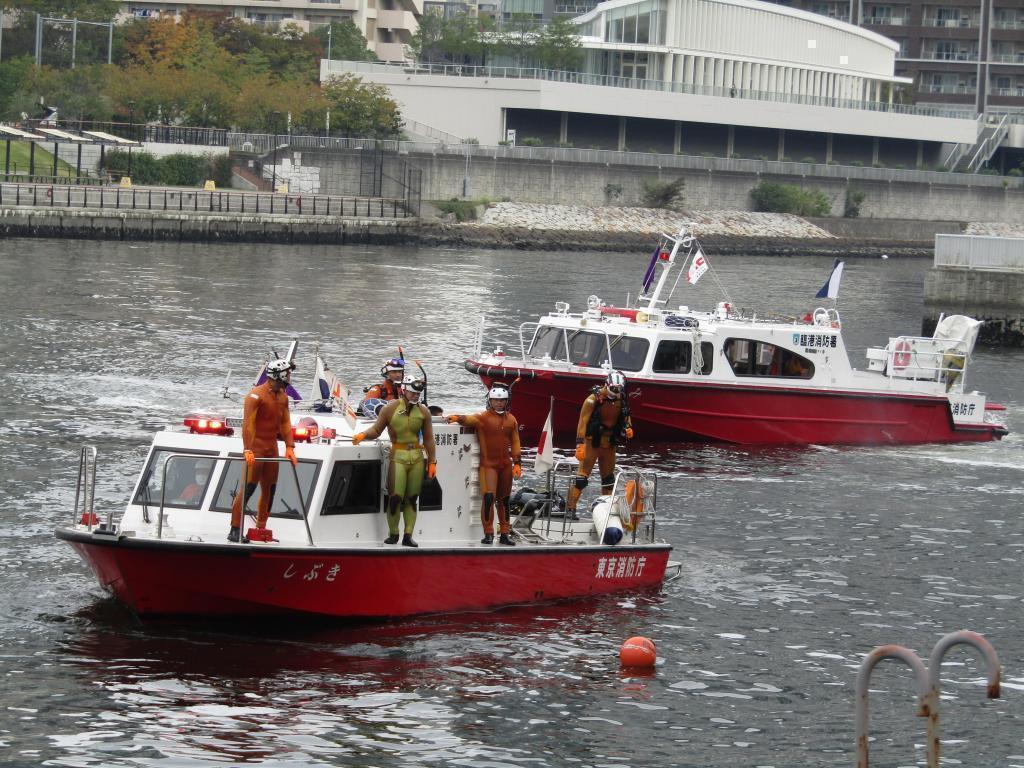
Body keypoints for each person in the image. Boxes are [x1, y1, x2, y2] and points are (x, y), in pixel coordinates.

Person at [352, 379, 436, 547]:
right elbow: (376, 430)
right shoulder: (390, 408)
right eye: (413, 392)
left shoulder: (423, 411)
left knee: (412, 498)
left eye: (418, 393)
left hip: (417, 457)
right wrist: (362, 435)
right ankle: (393, 533)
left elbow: (428, 438)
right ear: (404, 390)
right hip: (398, 456)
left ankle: (408, 534)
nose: (416, 396)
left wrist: (432, 461)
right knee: (395, 497)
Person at [228, 358, 298, 543]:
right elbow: (248, 424)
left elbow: (285, 422)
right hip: (257, 449)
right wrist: (247, 449)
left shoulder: (283, 396)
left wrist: (289, 446)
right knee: (248, 489)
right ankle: (235, 528)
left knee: (270, 489)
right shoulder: (255, 396)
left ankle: (261, 527)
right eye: (288, 372)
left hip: (271, 449)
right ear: (279, 374)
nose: (290, 376)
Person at [448, 385, 522, 545]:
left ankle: (504, 533)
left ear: (506, 401)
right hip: (488, 465)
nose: (499, 403)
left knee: (504, 500)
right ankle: (488, 532)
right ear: (490, 400)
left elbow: (516, 441)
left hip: (506, 466)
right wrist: (457, 417)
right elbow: (469, 419)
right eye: (496, 400)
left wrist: (517, 463)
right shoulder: (483, 418)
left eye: (502, 400)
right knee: (489, 497)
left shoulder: (512, 419)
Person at [567, 370, 634, 518]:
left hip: (609, 444)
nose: (615, 393)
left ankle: (606, 510)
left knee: (608, 480)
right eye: (613, 389)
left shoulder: (620, 399)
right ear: (606, 385)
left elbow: (626, 414)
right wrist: (580, 445)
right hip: (592, 442)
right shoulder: (593, 400)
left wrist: (628, 427)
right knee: (581, 478)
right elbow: (582, 422)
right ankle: (570, 508)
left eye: (618, 389)